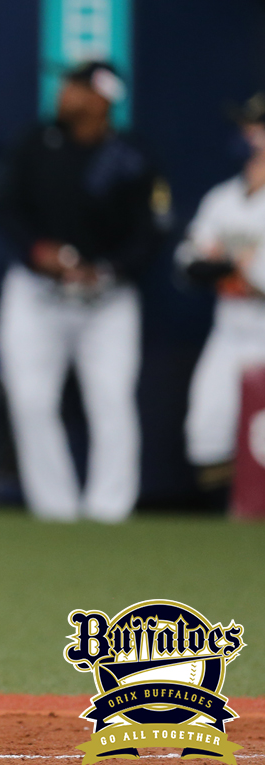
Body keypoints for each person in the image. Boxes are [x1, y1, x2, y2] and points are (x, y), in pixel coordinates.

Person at [0, 61, 166, 523]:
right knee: (30, 399)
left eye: (75, 87)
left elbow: (151, 232)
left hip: (107, 299)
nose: (63, 94)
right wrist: (38, 251)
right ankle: (55, 511)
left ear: (100, 98)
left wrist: (108, 269)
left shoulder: (131, 155)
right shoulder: (36, 141)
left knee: (112, 399)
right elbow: (3, 207)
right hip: (38, 293)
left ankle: (109, 511)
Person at [176, 93, 265, 506]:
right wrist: (232, 268)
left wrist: (232, 267)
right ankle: (231, 524)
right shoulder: (222, 199)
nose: (252, 135)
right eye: (250, 126)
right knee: (206, 432)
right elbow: (188, 265)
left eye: (259, 126)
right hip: (230, 331)